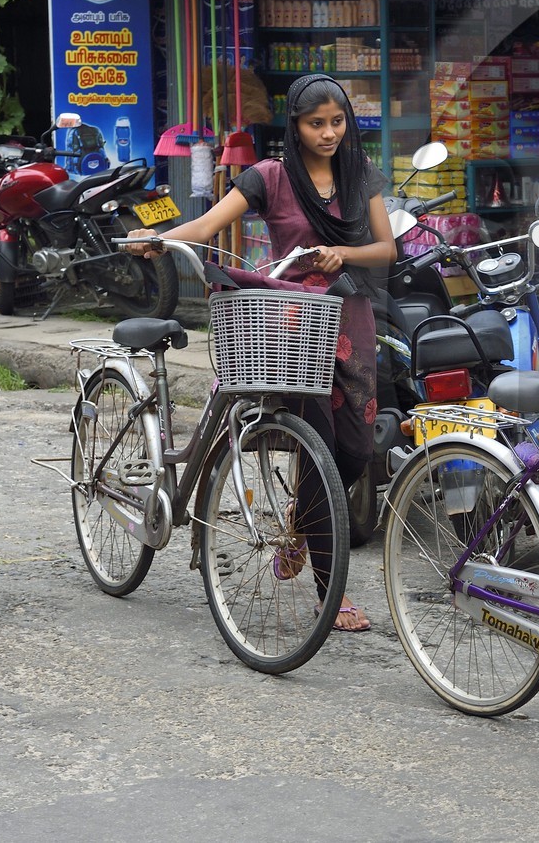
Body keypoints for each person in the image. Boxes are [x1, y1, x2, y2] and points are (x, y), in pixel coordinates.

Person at [129, 74, 395, 632]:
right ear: (294, 127)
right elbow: (206, 225)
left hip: (352, 318)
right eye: (315, 123)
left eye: (337, 122)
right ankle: (331, 593)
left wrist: (341, 254)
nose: (328, 133)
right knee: (316, 446)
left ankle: (298, 519)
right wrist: (162, 237)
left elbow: (385, 248)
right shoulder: (269, 177)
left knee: (354, 451)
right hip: (291, 324)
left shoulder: (361, 175)